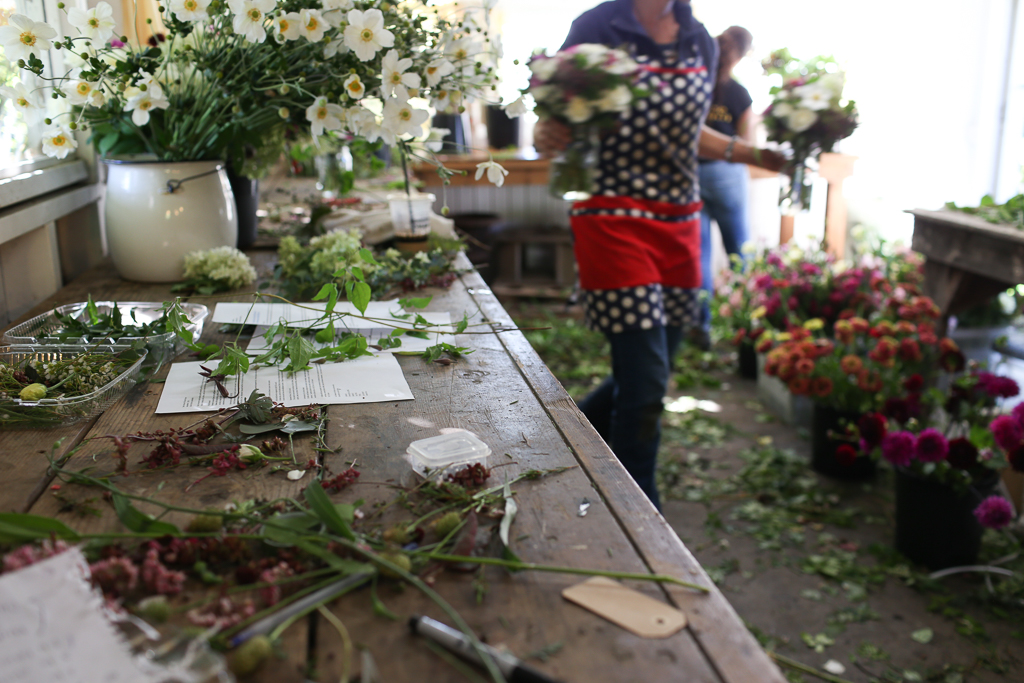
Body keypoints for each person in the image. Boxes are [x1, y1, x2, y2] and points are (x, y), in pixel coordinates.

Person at [535, 0, 784, 509]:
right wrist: (547, 134)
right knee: (646, 384)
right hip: (612, 219)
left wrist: (750, 153)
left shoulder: (699, 40)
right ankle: (639, 515)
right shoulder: (597, 26)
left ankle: (564, 435)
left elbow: (686, 130)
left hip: (678, 224)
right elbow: (552, 122)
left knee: (652, 368)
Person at [698, 26, 756, 339]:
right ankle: (748, 325)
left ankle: (701, 327)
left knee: (700, 256)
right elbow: (749, 143)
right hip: (726, 175)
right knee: (739, 251)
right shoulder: (739, 93)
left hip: (692, 174)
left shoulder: (695, 86)